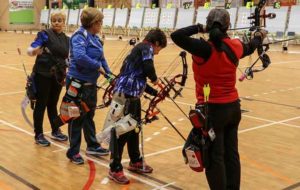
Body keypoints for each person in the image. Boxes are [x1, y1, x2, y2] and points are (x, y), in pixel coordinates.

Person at [171, 8, 266, 190]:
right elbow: (252, 45)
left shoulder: (203, 48)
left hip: (213, 111)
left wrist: (199, 27)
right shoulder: (235, 46)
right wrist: (259, 35)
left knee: (215, 157)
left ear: (208, 24)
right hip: (233, 109)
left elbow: (177, 35)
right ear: (227, 26)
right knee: (231, 154)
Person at [102, 29, 167, 184]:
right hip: (126, 97)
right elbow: (148, 69)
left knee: (134, 129)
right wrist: (157, 81)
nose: (157, 53)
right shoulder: (146, 48)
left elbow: (138, 77)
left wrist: (156, 92)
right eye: (159, 49)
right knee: (122, 132)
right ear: (156, 43)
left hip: (130, 95)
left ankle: (135, 161)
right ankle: (114, 168)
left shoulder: (137, 51)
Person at [65, 7, 111, 165]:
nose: (101, 25)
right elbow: (79, 57)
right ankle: (73, 152)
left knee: (89, 114)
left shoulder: (95, 38)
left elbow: (102, 57)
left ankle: (92, 145)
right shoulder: (79, 36)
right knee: (76, 117)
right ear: (93, 23)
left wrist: (109, 72)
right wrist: (97, 67)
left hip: (90, 83)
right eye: (100, 22)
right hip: (77, 82)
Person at [27, 11, 69, 146]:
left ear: (64, 22)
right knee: (41, 104)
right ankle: (38, 134)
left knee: (52, 104)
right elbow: (33, 47)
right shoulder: (44, 34)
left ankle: (55, 130)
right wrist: (33, 50)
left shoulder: (67, 39)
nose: (56, 22)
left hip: (58, 75)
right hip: (43, 74)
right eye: (54, 20)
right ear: (51, 22)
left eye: (59, 20)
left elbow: (67, 57)